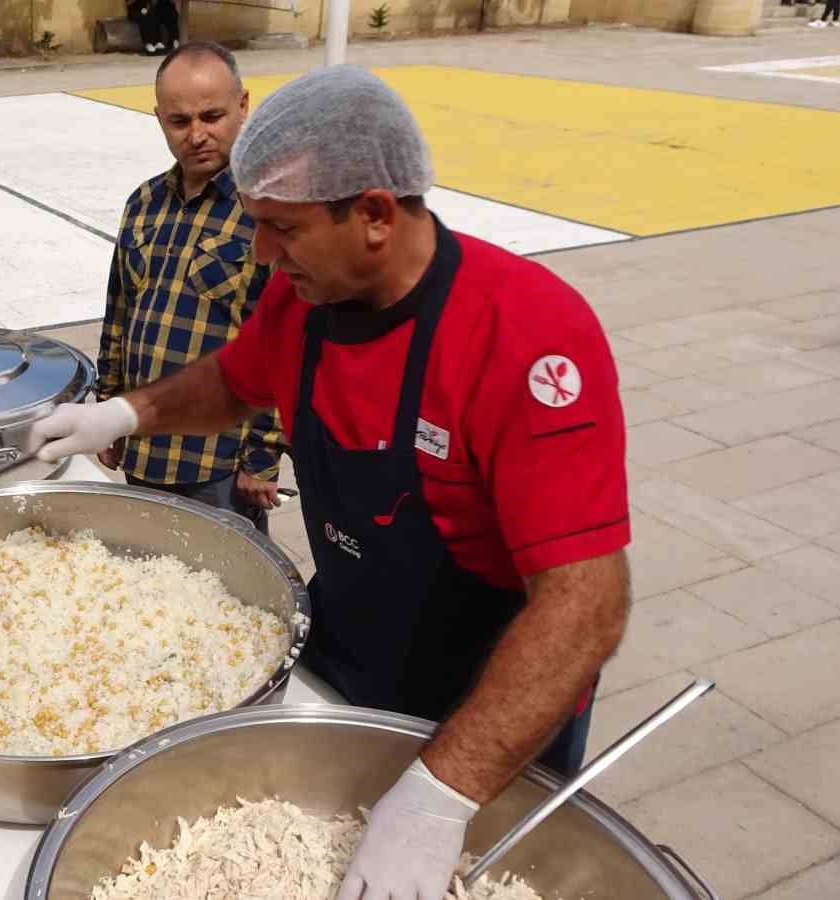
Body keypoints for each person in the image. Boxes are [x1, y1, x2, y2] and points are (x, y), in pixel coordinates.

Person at [31, 66, 630, 900]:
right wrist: (126, 415)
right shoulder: (301, 301)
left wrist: (438, 798)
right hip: (350, 658)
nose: (262, 253)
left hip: (483, 710)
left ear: (376, 215)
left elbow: (586, 606)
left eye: (281, 229)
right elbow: (237, 383)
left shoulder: (527, 335)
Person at [100, 42, 285, 533]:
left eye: (212, 115)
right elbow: (119, 315)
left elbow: (286, 341)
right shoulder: (143, 204)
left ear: (243, 106)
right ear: (159, 118)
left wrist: (263, 454)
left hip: (219, 466)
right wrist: (109, 409)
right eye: (179, 122)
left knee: (226, 590)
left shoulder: (268, 210)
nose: (197, 135)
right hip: (144, 448)